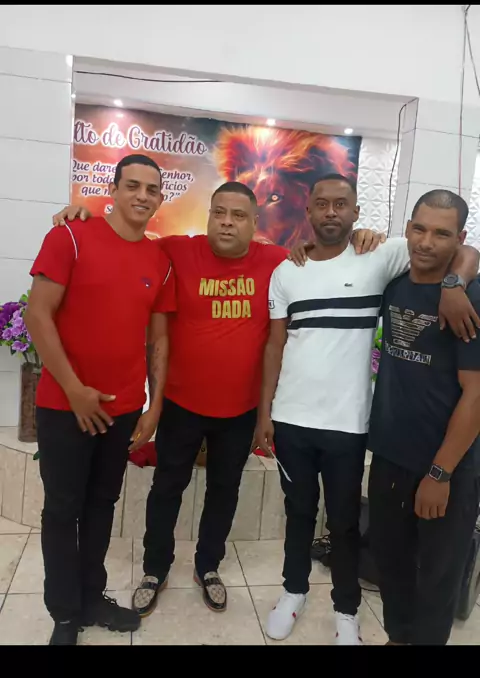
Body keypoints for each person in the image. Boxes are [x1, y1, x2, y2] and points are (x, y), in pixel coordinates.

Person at [52, 183, 385, 617]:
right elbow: (126, 236)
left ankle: (207, 566)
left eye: (238, 215)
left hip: (240, 411)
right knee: (167, 488)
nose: (227, 222)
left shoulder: (278, 261)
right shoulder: (176, 250)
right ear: (209, 216)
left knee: (224, 492)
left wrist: (363, 237)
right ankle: (155, 568)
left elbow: (321, 253)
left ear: (255, 223)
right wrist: (83, 218)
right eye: (219, 213)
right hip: (181, 404)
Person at [255, 174, 480, 644]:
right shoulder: (294, 271)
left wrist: (455, 283)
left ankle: (346, 610)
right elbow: (274, 344)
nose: (331, 212)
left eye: (341, 204)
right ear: (308, 211)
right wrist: (265, 413)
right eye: (322, 203)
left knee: (352, 527)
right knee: (316, 521)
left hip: (360, 428)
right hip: (330, 432)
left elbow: (464, 251)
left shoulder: (384, 257)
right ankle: (295, 593)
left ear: (357, 212)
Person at [25, 154, 176, 645]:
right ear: (112, 189)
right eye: (132, 185)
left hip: (123, 408)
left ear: (160, 199)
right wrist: (75, 390)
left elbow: (158, 339)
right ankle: (64, 613)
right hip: (64, 406)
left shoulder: (159, 260)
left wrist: (154, 405)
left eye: (151, 189)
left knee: (102, 505)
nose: (142, 196)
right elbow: (37, 315)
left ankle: (92, 597)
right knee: (62, 509)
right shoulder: (70, 236)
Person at [368, 190, 480, 646]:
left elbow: (476, 393)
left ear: (460, 238)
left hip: (445, 467)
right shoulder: (394, 284)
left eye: (442, 233)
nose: (427, 242)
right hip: (389, 458)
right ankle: (397, 638)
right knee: (390, 565)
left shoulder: (471, 298)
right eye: (419, 228)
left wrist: (440, 472)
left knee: (436, 579)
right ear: (407, 227)